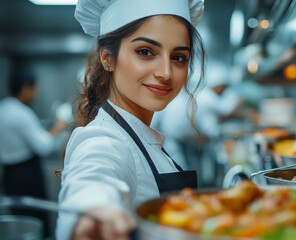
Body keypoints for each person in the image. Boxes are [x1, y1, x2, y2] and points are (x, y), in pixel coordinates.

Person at [56, 0, 206, 239]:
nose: (166, 73)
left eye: (178, 57)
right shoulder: (104, 139)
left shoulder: (140, 133)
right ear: (107, 58)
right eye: (145, 52)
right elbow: (94, 174)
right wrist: (94, 210)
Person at [0, 69, 69, 238]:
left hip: (9, 174)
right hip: (27, 176)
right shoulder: (22, 113)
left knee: (21, 221)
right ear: (25, 87)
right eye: (35, 88)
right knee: (36, 219)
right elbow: (43, 146)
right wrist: (60, 125)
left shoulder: (3, 108)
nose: (36, 93)